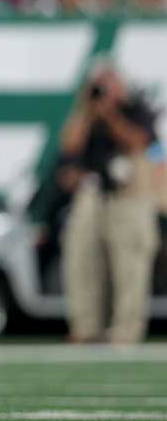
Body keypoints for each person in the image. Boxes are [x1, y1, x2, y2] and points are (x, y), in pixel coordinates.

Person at [59, 61, 161, 344]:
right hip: (94, 193)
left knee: (130, 265)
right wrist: (87, 111)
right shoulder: (88, 115)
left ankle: (126, 330)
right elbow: (69, 145)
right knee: (82, 258)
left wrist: (111, 114)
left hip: (130, 194)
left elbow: (138, 141)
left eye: (108, 83)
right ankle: (85, 326)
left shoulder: (137, 109)